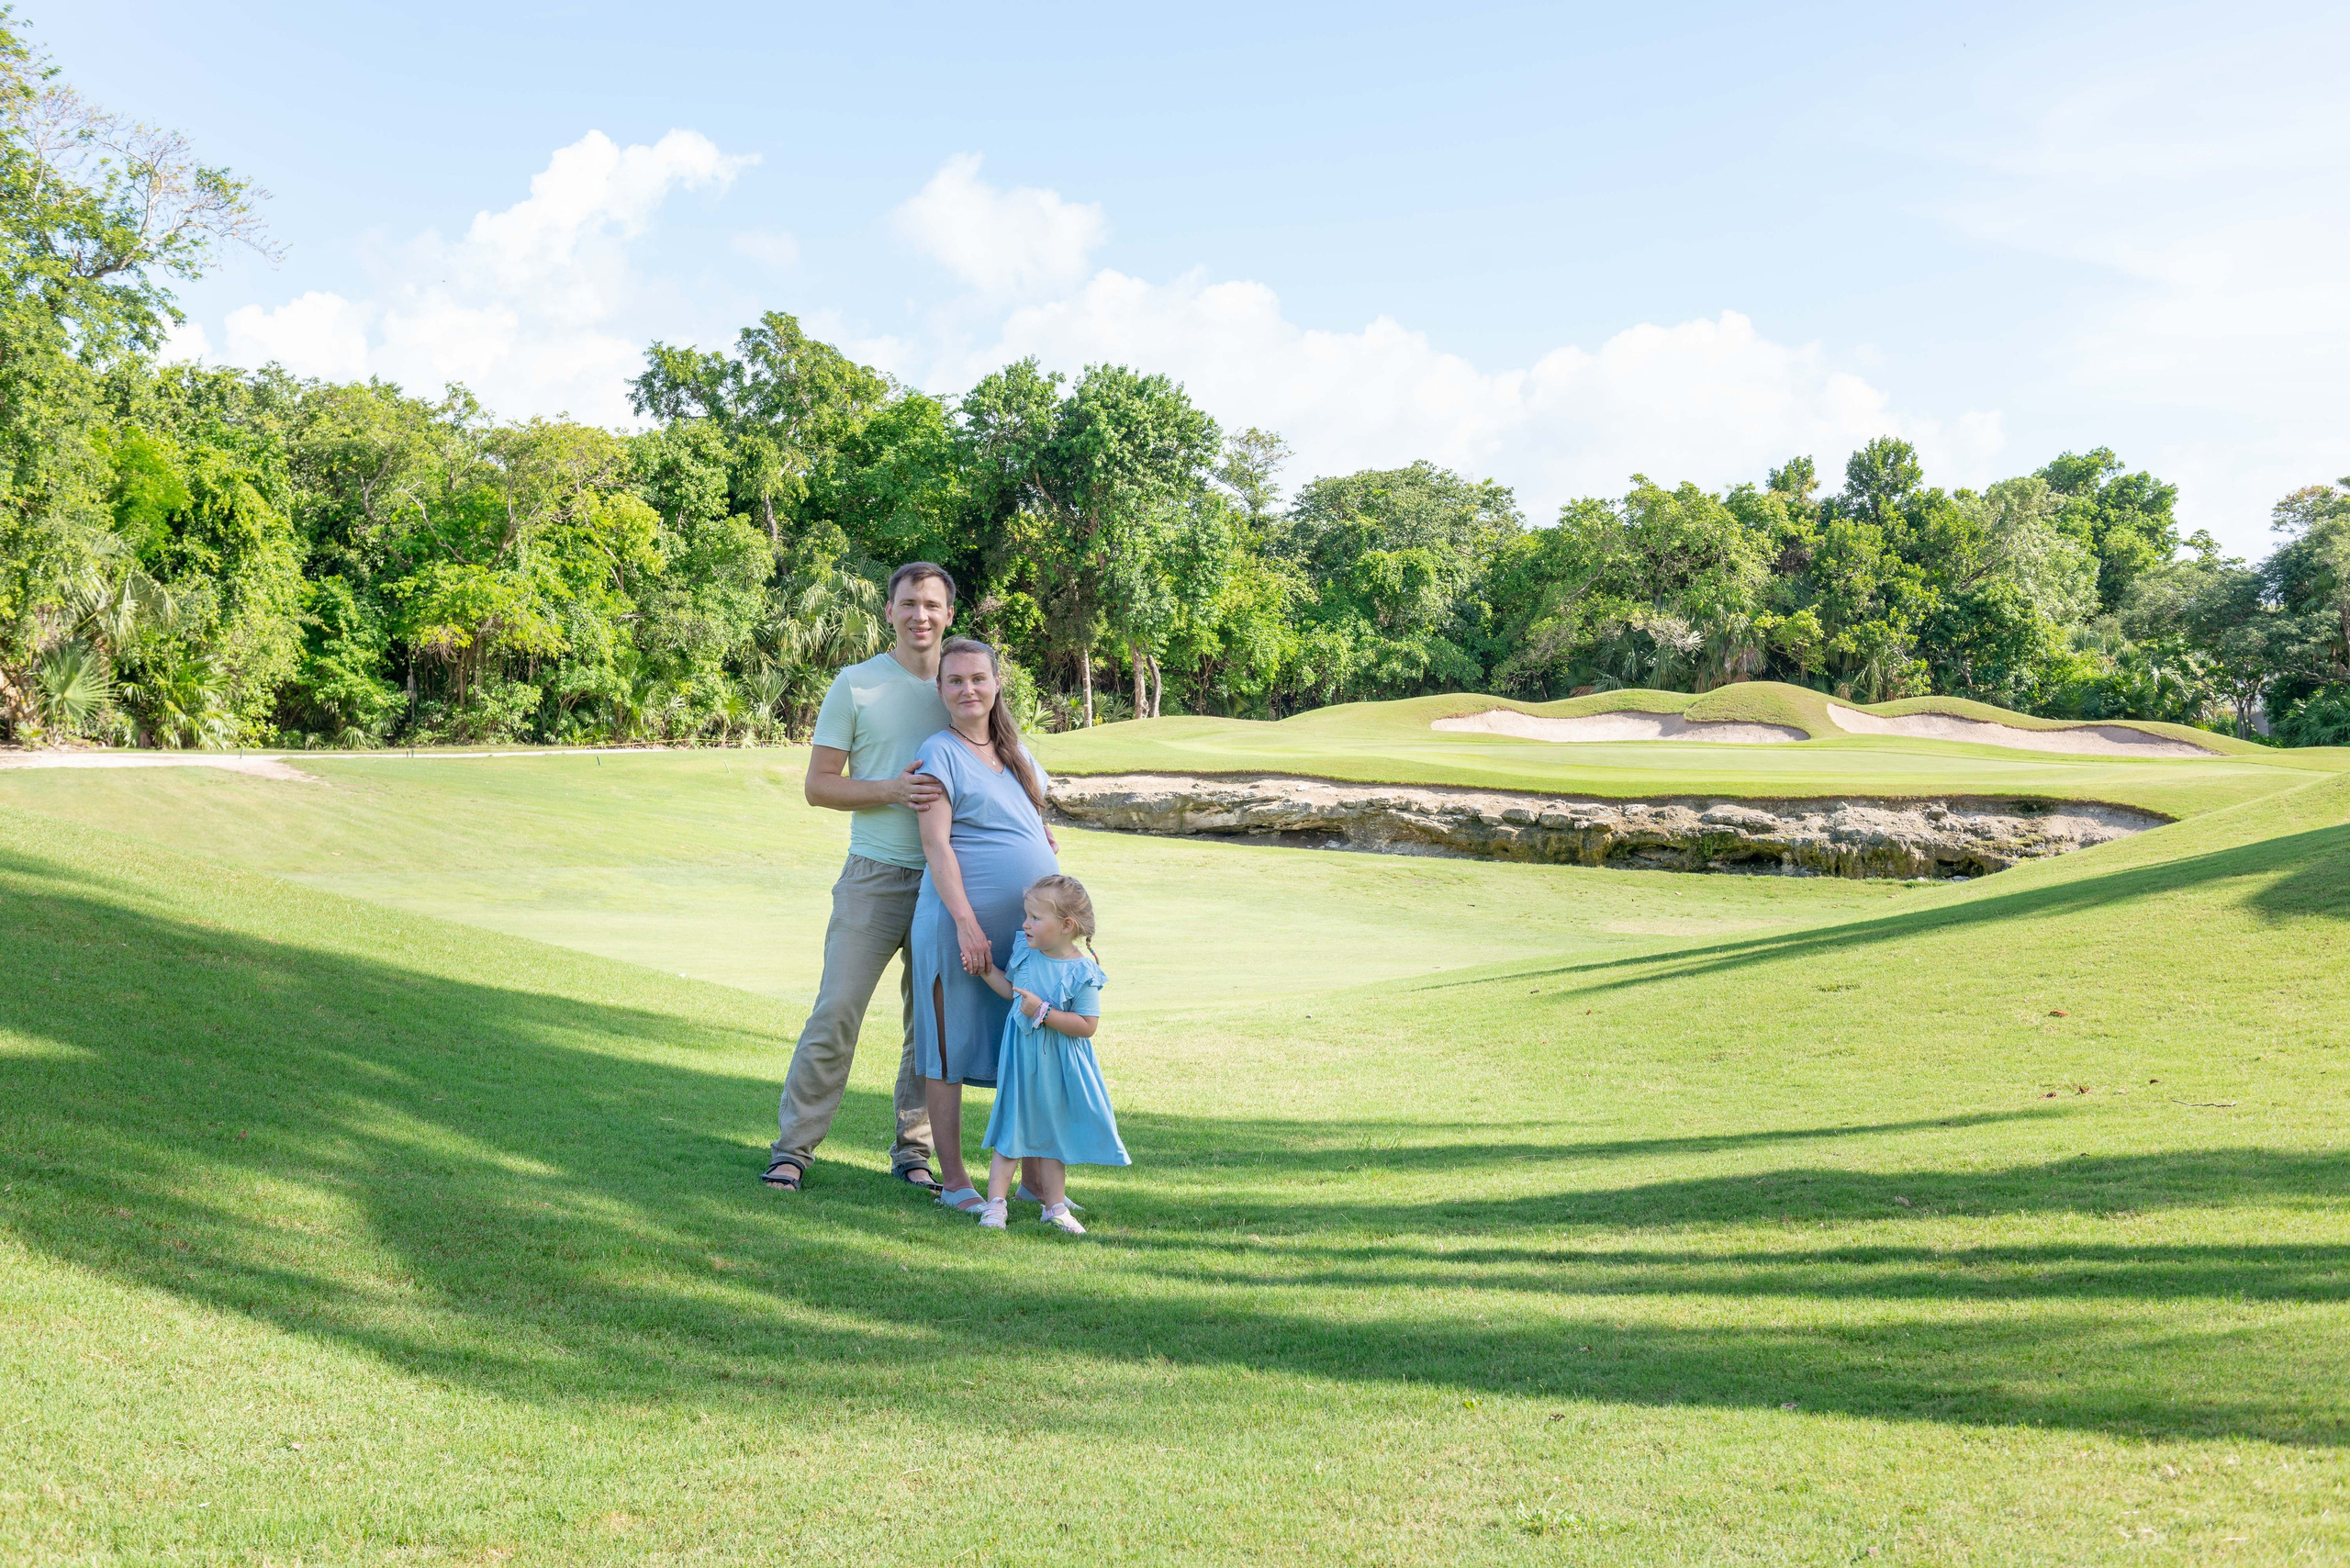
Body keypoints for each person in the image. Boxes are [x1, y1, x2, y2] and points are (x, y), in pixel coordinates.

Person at [761, 563, 959, 1195]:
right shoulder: (857, 684)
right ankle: (793, 1150)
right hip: (873, 878)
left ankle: (914, 1152)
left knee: (929, 1026)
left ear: (949, 614)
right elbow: (819, 785)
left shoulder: (964, 684)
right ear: (891, 610)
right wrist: (890, 790)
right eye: (909, 603)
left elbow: (998, 764)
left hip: (946, 881)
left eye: (932, 604)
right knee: (837, 1012)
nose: (920, 615)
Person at [908, 637, 1059, 1214]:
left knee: (1023, 1048)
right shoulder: (939, 751)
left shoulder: (1016, 750)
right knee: (950, 1048)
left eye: (978, 678)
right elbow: (937, 847)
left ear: (997, 683)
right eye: (955, 681)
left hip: (1024, 935)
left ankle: (1029, 1181)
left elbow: (1029, 821)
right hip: (958, 926)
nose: (968, 689)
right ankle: (954, 1182)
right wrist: (968, 927)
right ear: (941, 691)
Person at [972, 874, 1125, 1235]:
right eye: (1027, 915)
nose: (1025, 923)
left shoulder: (1082, 971)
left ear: (1066, 925)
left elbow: (1087, 1025)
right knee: (1013, 1124)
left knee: (1053, 1133)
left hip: (1058, 1064)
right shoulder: (1026, 952)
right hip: (1021, 1061)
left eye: (1036, 918)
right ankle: (995, 1204)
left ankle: (1054, 1206)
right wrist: (985, 971)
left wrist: (1043, 1012)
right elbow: (1013, 992)